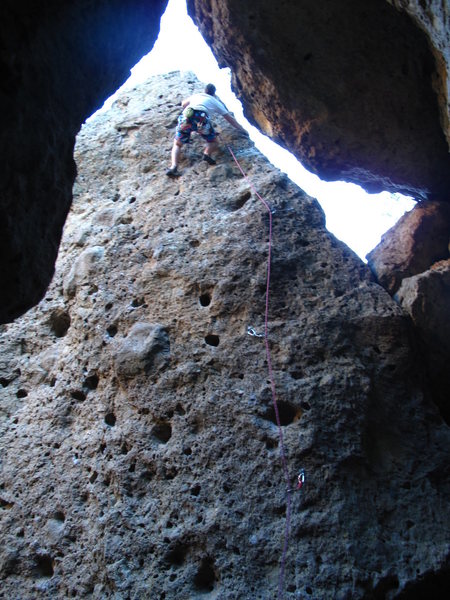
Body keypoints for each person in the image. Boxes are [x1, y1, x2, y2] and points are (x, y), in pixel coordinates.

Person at [166, 83, 248, 177]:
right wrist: (242, 129)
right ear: (214, 94)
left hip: (186, 117)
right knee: (213, 142)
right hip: (201, 118)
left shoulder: (197, 95)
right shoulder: (215, 101)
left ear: (205, 90)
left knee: (177, 144)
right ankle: (207, 153)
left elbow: (183, 104)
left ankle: (173, 166)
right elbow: (229, 118)